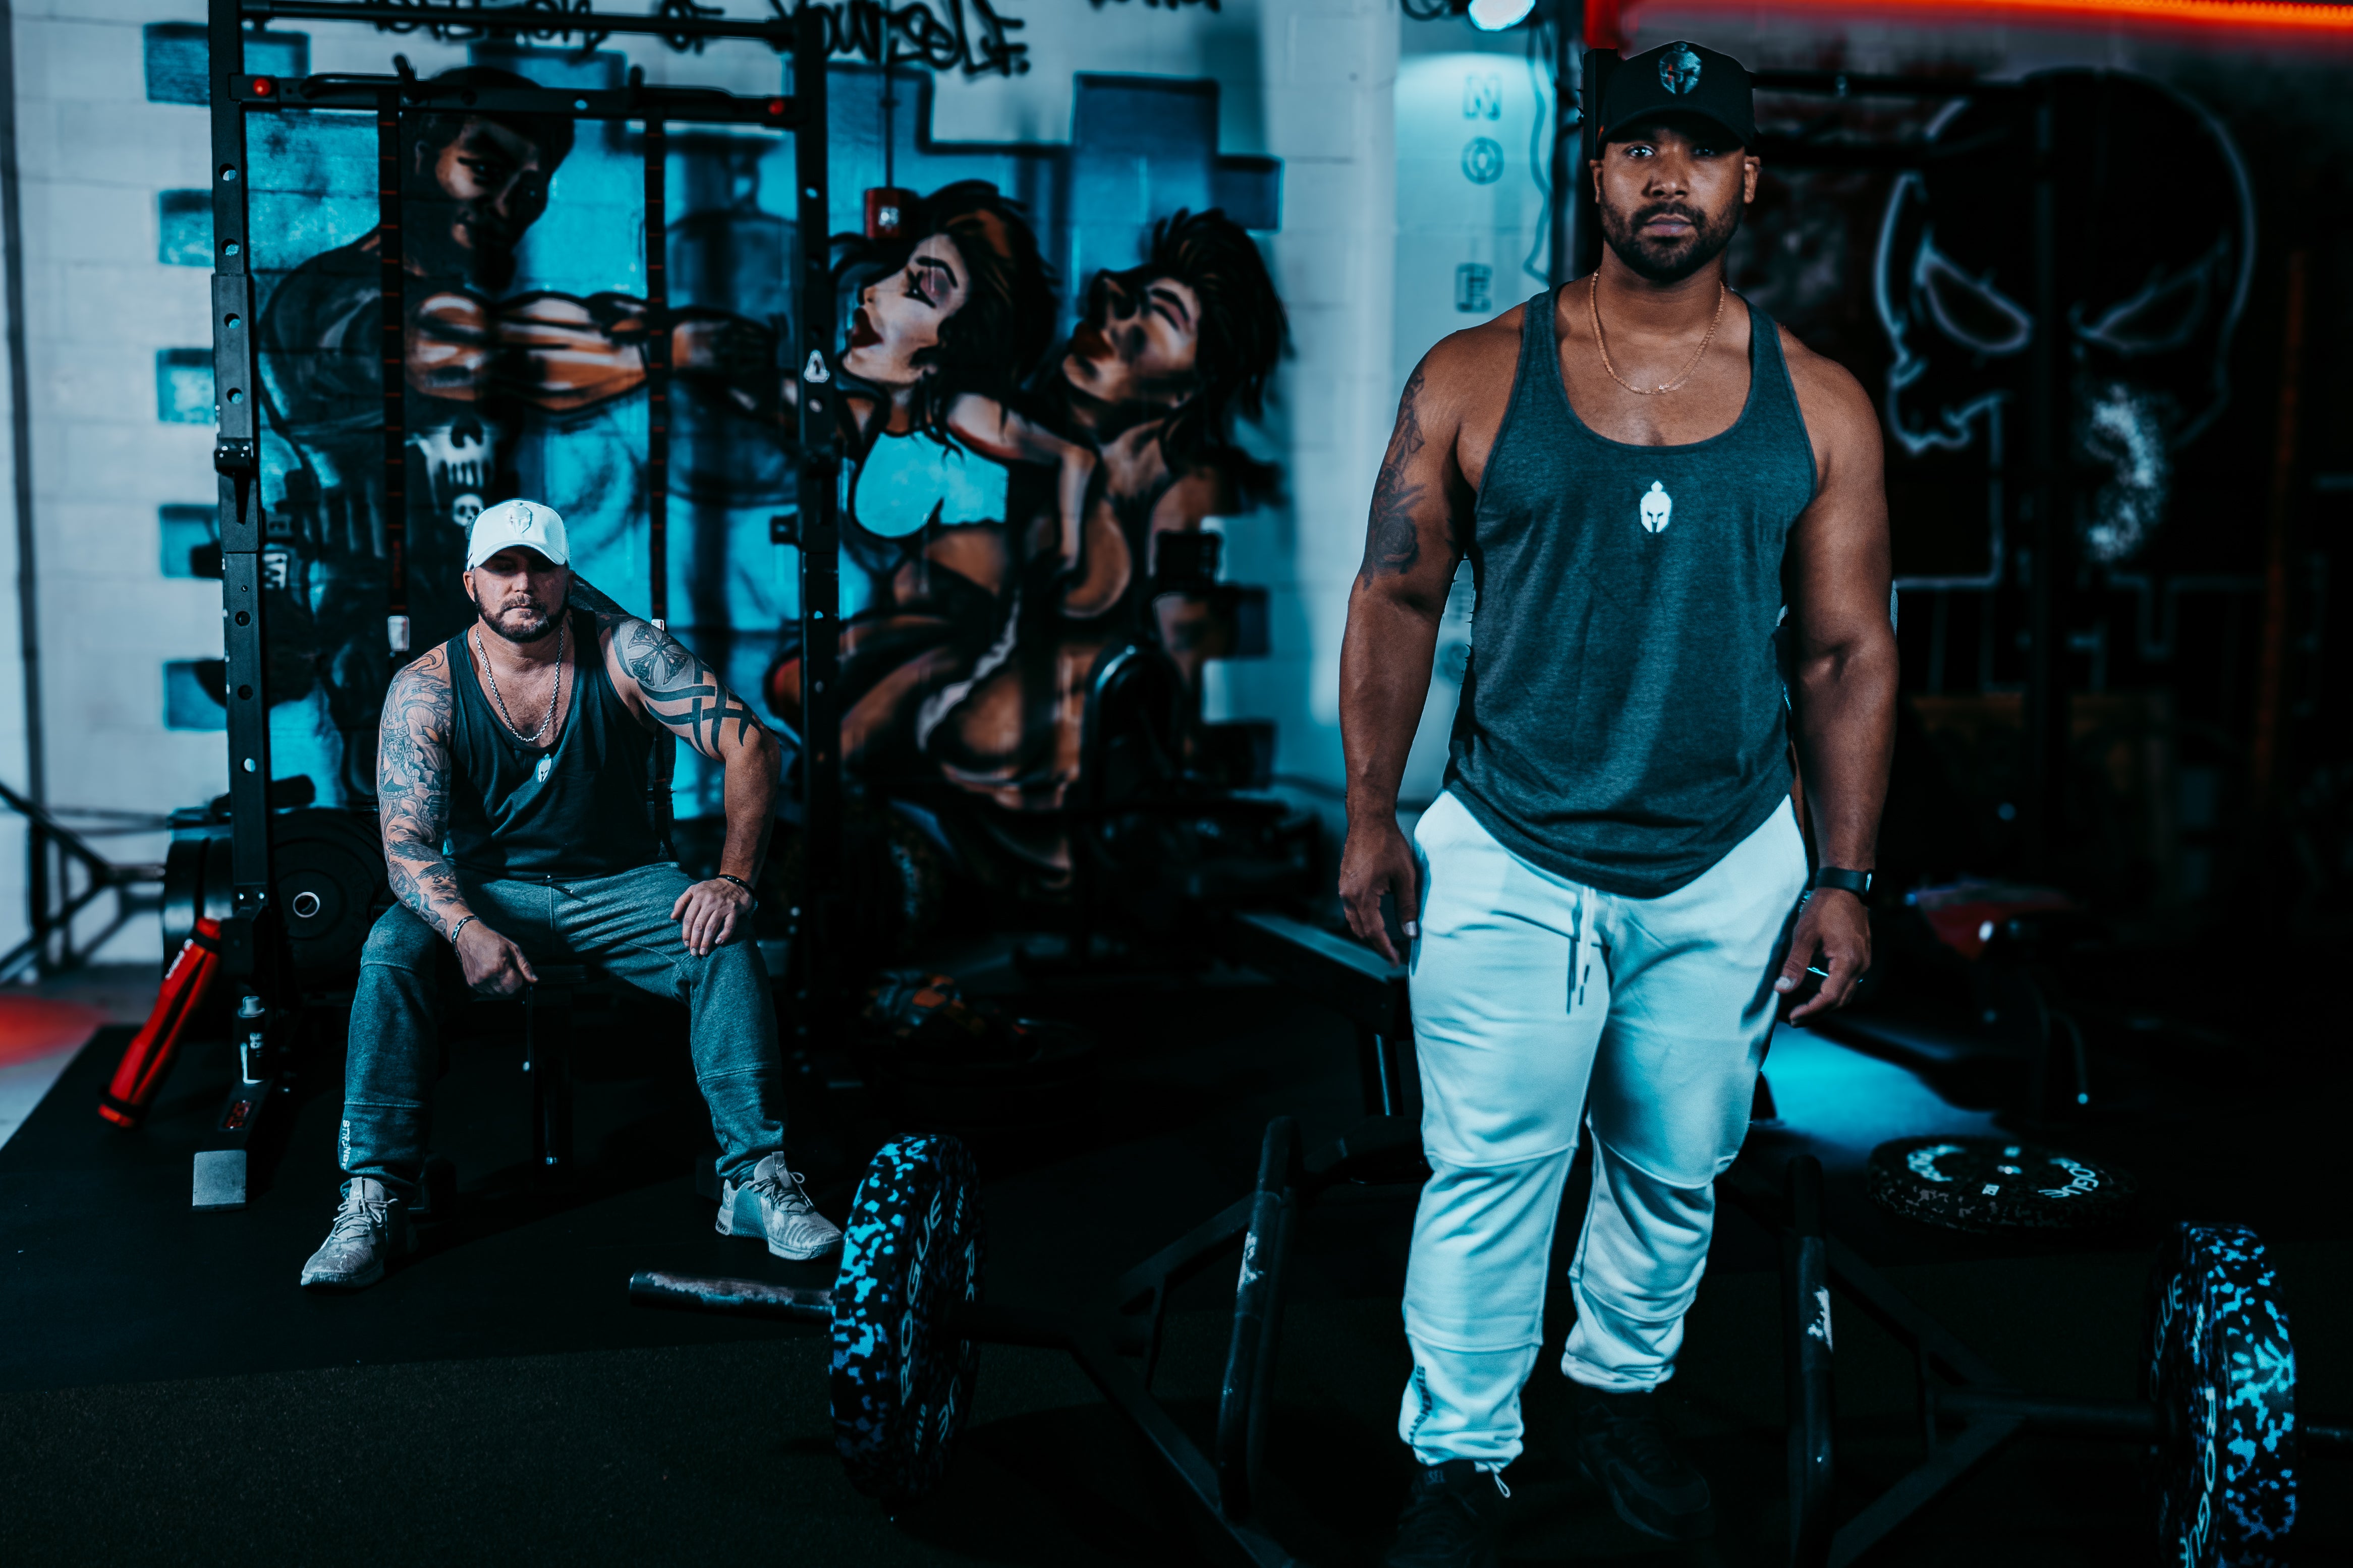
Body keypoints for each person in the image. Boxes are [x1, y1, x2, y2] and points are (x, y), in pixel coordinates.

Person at [1334, 41, 1895, 1564]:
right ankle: (1459, 1458)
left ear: (1745, 179)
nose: (1667, 174)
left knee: (1673, 1159)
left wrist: (1843, 872)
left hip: (1726, 858)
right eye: (1638, 147)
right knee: (1492, 1164)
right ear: (1592, 173)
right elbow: (1394, 595)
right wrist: (1373, 813)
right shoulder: (1472, 373)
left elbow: (1848, 649)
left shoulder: (1822, 404)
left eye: (1700, 151)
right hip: (1510, 842)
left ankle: (1619, 1392)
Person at [299, 499, 836, 1290]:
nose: (524, 585)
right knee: (390, 947)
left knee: (721, 936)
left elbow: (750, 744)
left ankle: (756, 1181)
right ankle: (374, 1196)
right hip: (489, 892)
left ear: (567, 577)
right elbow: (407, 847)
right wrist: (465, 930)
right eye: (504, 568)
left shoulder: (626, 653)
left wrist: (731, 877)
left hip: (622, 884)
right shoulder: (427, 689)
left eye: (541, 567)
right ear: (471, 581)